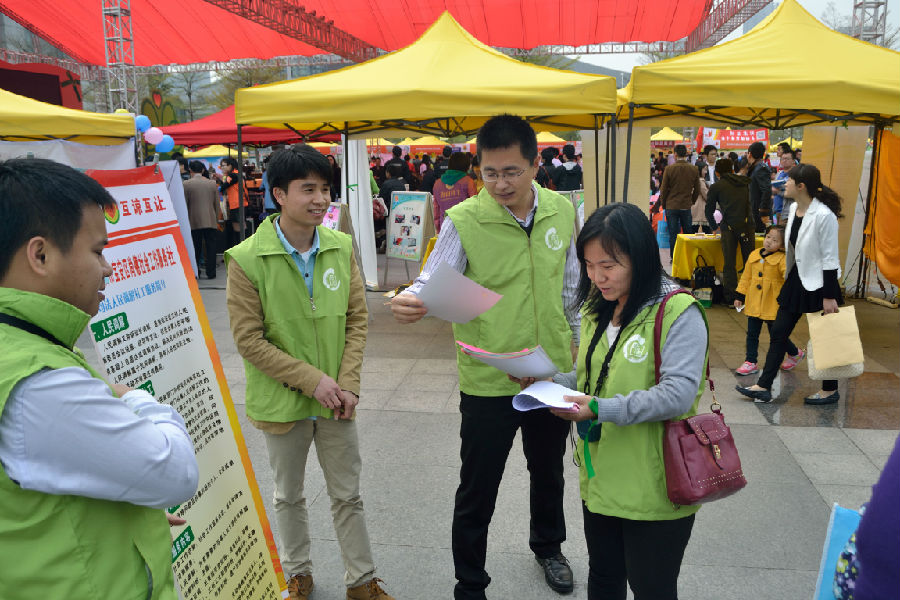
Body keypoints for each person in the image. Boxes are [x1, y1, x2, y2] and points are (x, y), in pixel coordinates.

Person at [389, 114, 579, 599]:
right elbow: (433, 279)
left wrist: (579, 353)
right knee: (478, 485)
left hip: (549, 373)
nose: (500, 184)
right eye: (490, 173)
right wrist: (412, 299)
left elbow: (572, 287)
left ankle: (549, 548)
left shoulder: (562, 211)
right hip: (489, 376)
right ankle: (470, 581)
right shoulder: (465, 218)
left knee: (549, 471)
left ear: (535, 165)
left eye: (512, 172)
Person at [0, 158, 199, 599]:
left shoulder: (23, 342)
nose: (108, 268)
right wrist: (135, 398)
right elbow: (176, 471)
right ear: (40, 255)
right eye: (97, 251)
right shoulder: (39, 383)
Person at [225, 145, 394, 600]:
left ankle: (362, 581)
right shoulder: (246, 258)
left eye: (324, 189)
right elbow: (249, 340)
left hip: (338, 400)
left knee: (348, 495)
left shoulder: (340, 246)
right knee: (288, 495)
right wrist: (313, 381)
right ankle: (297, 574)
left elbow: (357, 320)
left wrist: (348, 384)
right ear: (279, 194)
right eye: (308, 189)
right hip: (283, 401)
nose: (320, 199)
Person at [546, 202, 707, 600]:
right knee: (603, 578)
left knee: (652, 587)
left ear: (640, 257)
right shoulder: (598, 307)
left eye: (609, 265)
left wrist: (600, 408)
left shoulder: (678, 311)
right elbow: (594, 376)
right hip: (601, 477)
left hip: (654, 482)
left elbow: (677, 394)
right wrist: (548, 383)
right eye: (589, 265)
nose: (597, 276)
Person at [737, 164, 844, 405]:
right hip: (797, 279)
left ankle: (830, 390)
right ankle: (763, 386)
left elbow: (830, 258)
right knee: (778, 331)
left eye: (788, 181)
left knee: (824, 337)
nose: (784, 183)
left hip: (821, 283)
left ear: (801, 186)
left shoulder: (824, 216)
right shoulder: (795, 208)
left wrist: (829, 296)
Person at [733, 225, 804, 375]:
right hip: (754, 301)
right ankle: (750, 361)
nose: (769, 241)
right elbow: (746, 277)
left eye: (775, 240)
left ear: (782, 245)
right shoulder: (754, 254)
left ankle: (794, 353)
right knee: (752, 333)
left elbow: (788, 278)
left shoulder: (783, 259)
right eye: (768, 237)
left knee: (776, 334)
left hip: (773, 303)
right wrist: (740, 295)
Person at [704, 158, 755, 302]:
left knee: (729, 264)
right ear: (732, 170)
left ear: (717, 173)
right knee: (750, 262)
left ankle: (732, 298)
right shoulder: (745, 182)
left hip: (729, 228)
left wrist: (715, 227)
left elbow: (708, 210)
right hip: (748, 225)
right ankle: (750, 295)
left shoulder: (716, 186)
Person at [658, 144, 700, 260]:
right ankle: (688, 257)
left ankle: (674, 257)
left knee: (673, 234)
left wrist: (664, 204)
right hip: (686, 205)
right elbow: (697, 189)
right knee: (687, 233)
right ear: (685, 154)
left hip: (671, 205)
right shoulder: (693, 169)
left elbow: (663, 189)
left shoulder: (669, 169)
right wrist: (692, 201)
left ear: (675, 154)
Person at [183, 159, 221, 279]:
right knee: (211, 247)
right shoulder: (212, 184)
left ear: (190, 170)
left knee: (196, 247)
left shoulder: (186, 184)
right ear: (203, 170)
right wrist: (216, 218)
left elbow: (185, 204)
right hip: (210, 219)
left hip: (193, 220)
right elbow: (217, 204)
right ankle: (211, 272)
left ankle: (196, 271)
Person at [432, 152, 476, 233]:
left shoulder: (437, 184)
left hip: (445, 228)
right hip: (465, 228)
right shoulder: (468, 182)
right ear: (466, 166)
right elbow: (475, 206)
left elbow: (436, 209)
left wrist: (438, 229)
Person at [219, 156, 249, 249]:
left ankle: (242, 249)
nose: (222, 168)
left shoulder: (232, 175)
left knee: (238, 228)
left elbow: (223, 187)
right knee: (241, 227)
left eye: (223, 165)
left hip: (237, 205)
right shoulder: (238, 174)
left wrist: (217, 187)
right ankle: (245, 247)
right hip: (241, 204)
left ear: (230, 165)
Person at [747, 141, 773, 232]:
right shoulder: (756, 168)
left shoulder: (760, 169)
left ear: (750, 154)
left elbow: (766, 191)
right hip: (756, 210)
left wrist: (763, 212)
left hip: (760, 213)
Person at [771, 150, 794, 224]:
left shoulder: (795, 175)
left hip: (787, 212)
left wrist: (778, 191)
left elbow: (794, 193)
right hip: (776, 211)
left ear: (793, 161)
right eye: (782, 159)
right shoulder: (779, 174)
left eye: (787, 159)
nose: (784, 161)